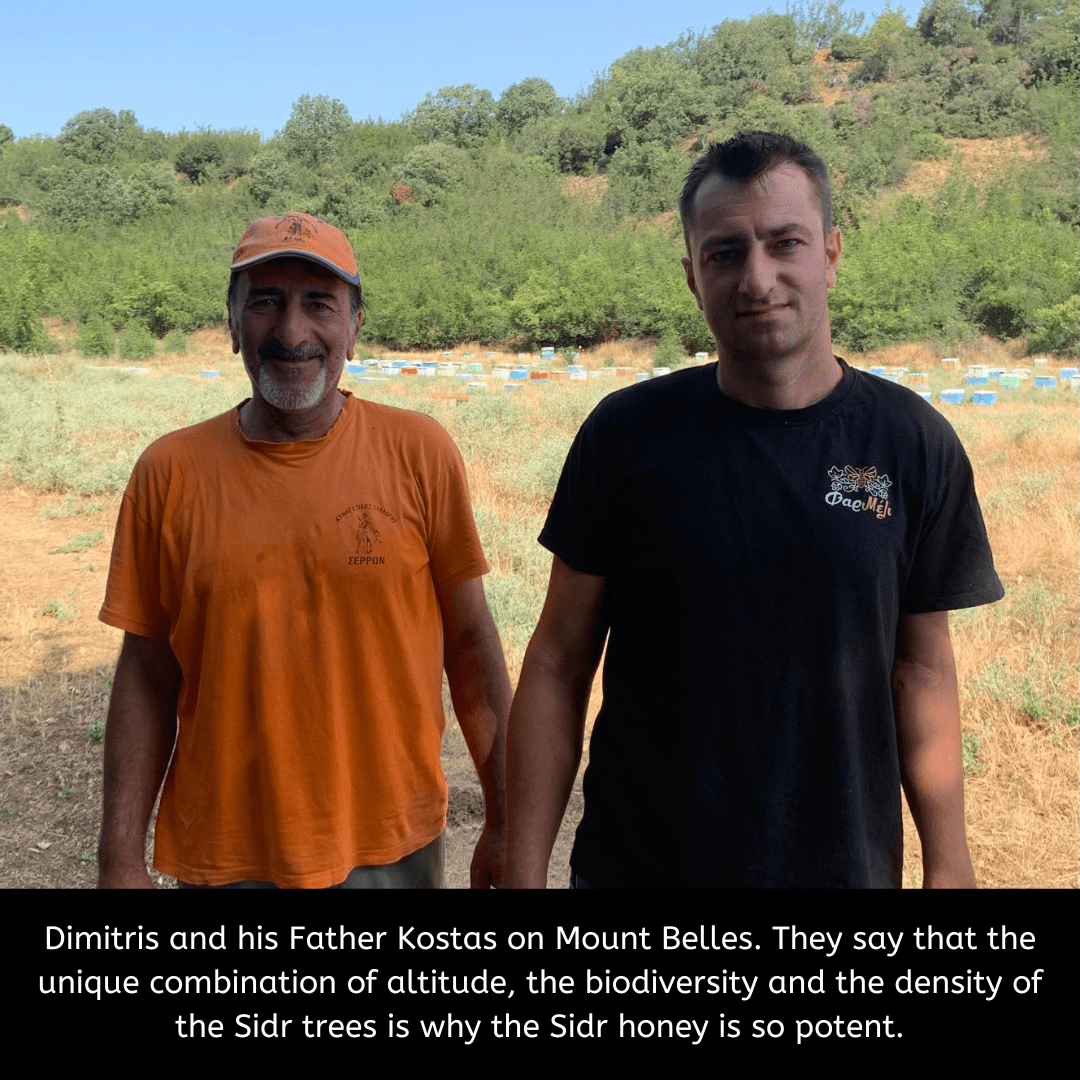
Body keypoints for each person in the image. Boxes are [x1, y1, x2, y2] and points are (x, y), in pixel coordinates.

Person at [505, 131, 1003, 889]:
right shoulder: (627, 433)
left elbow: (923, 670)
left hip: (843, 870)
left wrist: (951, 861)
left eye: (785, 243)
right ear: (692, 278)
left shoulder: (911, 442)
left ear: (831, 253)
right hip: (637, 871)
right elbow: (556, 661)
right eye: (726, 253)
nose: (757, 277)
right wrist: (522, 865)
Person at [97, 211, 510, 889]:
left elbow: (470, 643)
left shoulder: (419, 452)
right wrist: (118, 857)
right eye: (265, 302)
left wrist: (505, 818)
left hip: (389, 849)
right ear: (231, 324)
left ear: (353, 325)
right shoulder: (168, 473)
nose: (291, 332)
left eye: (319, 304)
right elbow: (145, 672)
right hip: (226, 854)